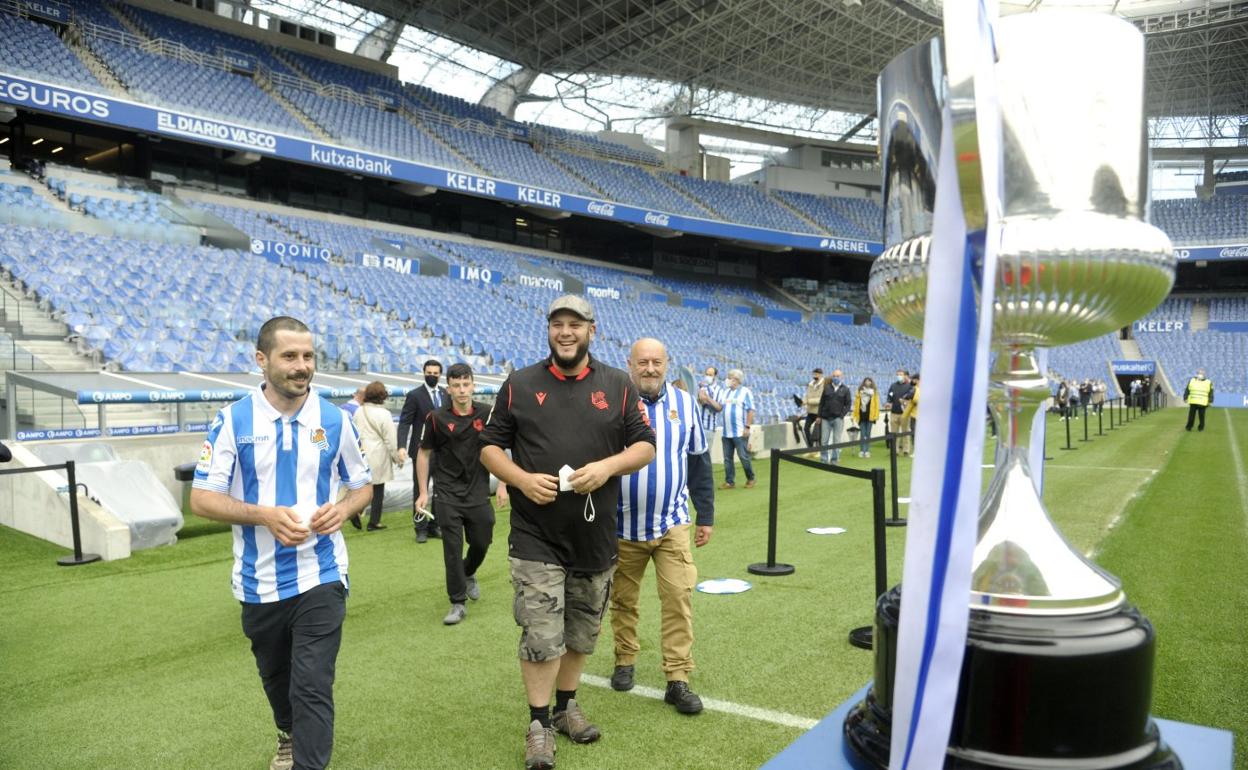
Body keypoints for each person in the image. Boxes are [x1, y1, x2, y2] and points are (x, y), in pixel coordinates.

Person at [479, 295, 655, 770]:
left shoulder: (618, 385)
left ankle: (566, 708)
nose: (565, 331)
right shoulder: (519, 384)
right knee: (541, 632)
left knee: (580, 633)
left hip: (595, 538)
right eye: (557, 323)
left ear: (591, 331)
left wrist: (607, 467)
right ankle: (539, 725)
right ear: (549, 331)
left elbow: (644, 446)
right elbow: (490, 448)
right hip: (536, 535)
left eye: (575, 324)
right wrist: (519, 479)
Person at [189, 316, 372, 770]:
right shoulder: (232, 420)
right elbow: (201, 499)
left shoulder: (335, 419)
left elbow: (362, 485)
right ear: (262, 360)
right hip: (258, 582)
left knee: (311, 682)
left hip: (322, 573)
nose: (302, 366)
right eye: (290, 356)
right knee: (278, 679)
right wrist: (265, 516)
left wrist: (344, 510)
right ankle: (288, 734)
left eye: (308, 356)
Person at [609, 338, 715, 715]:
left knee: (678, 600)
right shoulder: (613, 401)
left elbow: (699, 462)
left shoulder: (686, 404)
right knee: (622, 600)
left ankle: (677, 678)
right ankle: (625, 659)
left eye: (656, 362)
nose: (650, 368)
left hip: (672, 524)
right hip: (621, 527)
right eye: (643, 362)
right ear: (630, 364)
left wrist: (707, 515)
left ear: (667, 364)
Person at [415, 362, 508, 625]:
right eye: (456, 385)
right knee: (452, 549)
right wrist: (423, 492)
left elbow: (500, 448)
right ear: (449, 389)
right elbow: (423, 453)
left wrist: (502, 483)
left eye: (466, 384)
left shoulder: (488, 414)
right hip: (446, 494)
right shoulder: (436, 417)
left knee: (482, 541)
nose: (462, 390)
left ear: (473, 386)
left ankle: (468, 572)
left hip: (478, 492)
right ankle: (457, 602)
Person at [398, 359, 448, 542]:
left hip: (443, 451)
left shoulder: (445, 393)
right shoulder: (414, 395)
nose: (432, 376)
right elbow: (404, 422)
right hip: (421, 452)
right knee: (420, 489)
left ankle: (436, 525)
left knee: (440, 490)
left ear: (440, 375)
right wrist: (401, 446)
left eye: (435, 373)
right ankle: (420, 528)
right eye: (429, 373)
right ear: (424, 372)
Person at [351, 381, 402, 531]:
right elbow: (391, 440)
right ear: (383, 395)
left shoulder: (359, 411)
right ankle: (374, 522)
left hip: (361, 453)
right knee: (378, 490)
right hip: (378, 454)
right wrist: (396, 458)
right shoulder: (384, 414)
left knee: (361, 487)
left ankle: (354, 510)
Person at [718, 368, 756, 489]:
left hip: (740, 432)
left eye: (730, 378)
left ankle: (751, 478)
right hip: (726, 432)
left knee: (743, 456)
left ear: (737, 380)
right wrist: (707, 399)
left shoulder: (745, 392)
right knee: (727, 459)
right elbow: (719, 407)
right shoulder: (725, 392)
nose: (728, 380)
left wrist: (747, 427)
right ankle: (730, 481)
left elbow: (751, 410)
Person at [818, 369, 852, 464]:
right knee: (824, 440)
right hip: (825, 418)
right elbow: (821, 403)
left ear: (841, 377)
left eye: (837, 376)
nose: (835, 378)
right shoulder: (826, 388)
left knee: (836, 441)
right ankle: (824, 460)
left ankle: (834, 460)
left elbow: (848, 404)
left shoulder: (846, 389)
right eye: (834, 376)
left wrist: (841, 415)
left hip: (838, 419)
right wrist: (819, 416)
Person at [885, 370, 914, 456]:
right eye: (897, 374)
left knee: (905, 432)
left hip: (905, 413)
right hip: (894, 412)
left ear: (905, 376)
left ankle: (906, 450)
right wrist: (888, 402)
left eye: (901, 374)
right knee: (894, 433)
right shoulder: (893, 386)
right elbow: (890, 395)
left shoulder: (909, 386)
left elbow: (912, 397)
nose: (899, 376)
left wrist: (905, 402)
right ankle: (895, 450)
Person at [854, 377, 880, 458]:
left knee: (868, 434)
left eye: (869, 381)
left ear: (871, 383)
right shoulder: (859, 392)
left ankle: (867, 451)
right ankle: (862, 450)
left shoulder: (874, 393)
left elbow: (876, 404)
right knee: (862, 433)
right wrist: (854, 415)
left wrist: (876, 415)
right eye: (866, 381)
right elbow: (856, 404)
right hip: (861, 415)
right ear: (864, 382)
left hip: (870, 416)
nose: (868, 383)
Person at [695, 366, 723, 439]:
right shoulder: (701, 387)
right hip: (697, 426)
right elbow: (701, 401)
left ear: (715, 376)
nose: (708, 377)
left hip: (709, 427)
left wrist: (707, 398)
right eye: (706, 374)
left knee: (707, 450)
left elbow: (719, 407)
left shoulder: (719, 390)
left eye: (710, 375)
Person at [1183, 368, 1213, 432]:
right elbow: (1187, 389)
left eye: (1202, 373)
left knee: (1201, 416)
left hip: (1202, 402)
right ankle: (1189, 427)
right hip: (1193, 401)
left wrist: (1210, 400)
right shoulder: (1192, 380)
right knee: (1191, 416)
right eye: (1199, 373)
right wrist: (1185, 397)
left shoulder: (1208, 382)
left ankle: (1201, 428)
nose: (1200, 375)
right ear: (1197, 374)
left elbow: (1211, 392)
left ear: (1204, 374)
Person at [803, 368, 825, 447]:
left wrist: (809, 401)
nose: (815, 375)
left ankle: (820, 448)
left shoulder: (824, 385)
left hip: (819, 412)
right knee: (806, 428)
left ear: (821, 374)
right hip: (810, 411)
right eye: (814, 374)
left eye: (816, 374)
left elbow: (821, 399)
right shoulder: (810, 384)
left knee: (819, 431)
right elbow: (806, 395)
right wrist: (803, 401)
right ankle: (810, 447)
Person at [903, 372, 921, 440]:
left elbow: (907, 396)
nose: (913, 381)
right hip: (918, 414)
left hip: (915, 414)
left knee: (914, 432)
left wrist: (904, 399)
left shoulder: (916, 389)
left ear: (917, 380)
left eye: (914, 379)